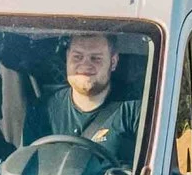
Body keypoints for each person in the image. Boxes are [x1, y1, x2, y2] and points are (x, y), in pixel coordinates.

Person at [36, 31, 142, 162]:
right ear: (67, 58)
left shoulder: (135, 111)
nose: (85, 65)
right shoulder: (43, 110)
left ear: (113, 62)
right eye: (77, 57)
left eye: (96, 58)